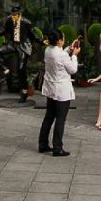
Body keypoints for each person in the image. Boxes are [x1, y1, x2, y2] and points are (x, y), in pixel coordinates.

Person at [38, 29, 79, 157]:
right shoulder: (61, 55)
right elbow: (73, 69)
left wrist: (68, 49)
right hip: (61, 90)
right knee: (60, 119)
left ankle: (43, 144)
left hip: (50, 88)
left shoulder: (48, 50)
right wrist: (74, 55)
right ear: (59, 40)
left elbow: (60, 56)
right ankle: (57, 147)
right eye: (63, 38)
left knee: (49, 117)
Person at [0, 5, 40, 101]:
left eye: (15, 15)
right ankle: (5, 69)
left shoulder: (26, 22)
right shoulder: (9, 20)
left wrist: (42, 42)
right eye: (12, 15)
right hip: (13, 44)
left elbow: (34, 35)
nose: (13, 17)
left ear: (19, 14)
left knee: (21, 69)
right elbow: (3, 30)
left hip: (23, 47)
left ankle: (24, 92)